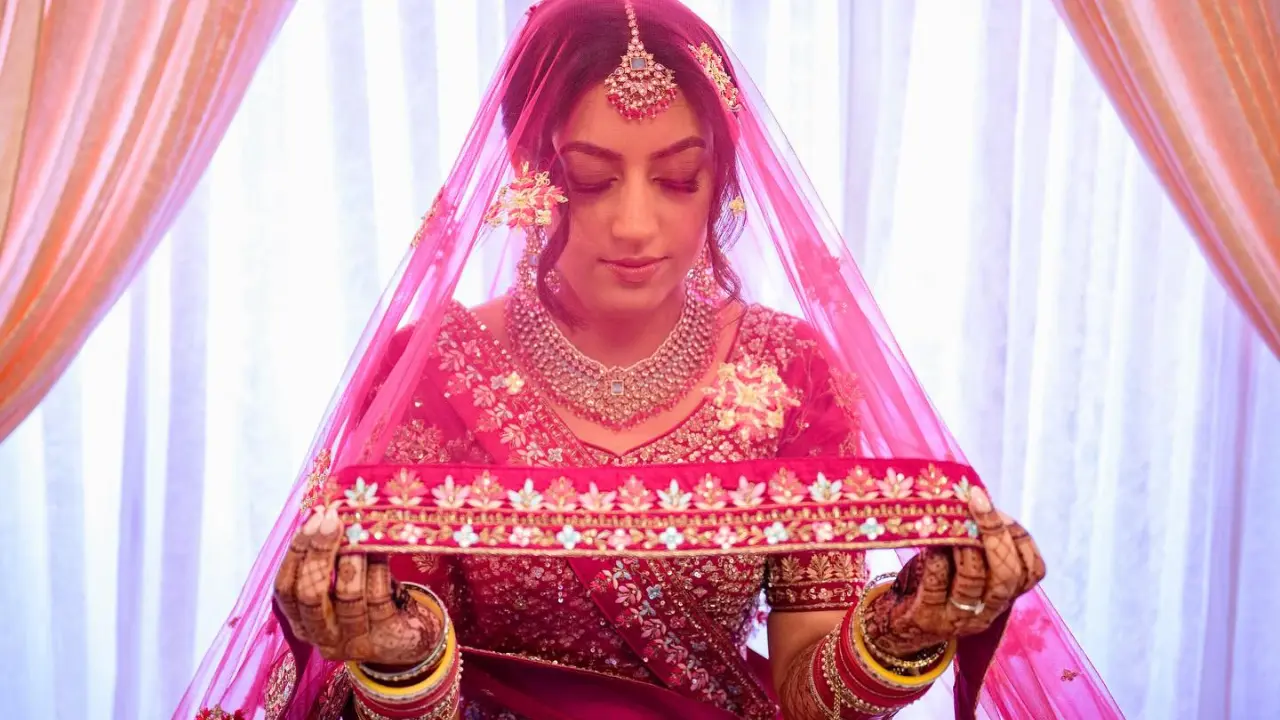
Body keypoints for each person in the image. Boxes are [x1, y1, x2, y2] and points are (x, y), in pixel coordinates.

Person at [178, 1, 1124, 719]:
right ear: (527, 175)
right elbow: (385, 691)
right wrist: (392, 652)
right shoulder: (433, 371)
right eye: (592, 178)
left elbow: (807, 696)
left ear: (721, 181)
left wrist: (908, 627)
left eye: (679, 179)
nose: (638, 223)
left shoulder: (789, 374)